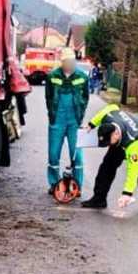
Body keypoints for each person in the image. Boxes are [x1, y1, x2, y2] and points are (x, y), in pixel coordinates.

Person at [81, 104, 138, 215]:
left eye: (108, 142)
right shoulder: (109, 118)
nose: (107, 145)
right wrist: (92, 124)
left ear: (115, 134)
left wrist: (127, 193)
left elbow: (134, 169)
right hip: (124, 135)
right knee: (107, 165)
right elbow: (110, 107)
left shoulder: (133, 142)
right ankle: (99, 199)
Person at [45, 48, 89, 195]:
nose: (69, 64)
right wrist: (52, 115)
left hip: (74, 122)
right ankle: (54, 184)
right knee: (53, 154)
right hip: (57, 120)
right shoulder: (52, 76)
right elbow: (49, 97)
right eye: (67, 61)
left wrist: (80, 115)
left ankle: (77, 186)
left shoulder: (82, 76)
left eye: (72, 61)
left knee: (77, 155)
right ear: (62, 62)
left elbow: (85, 97)